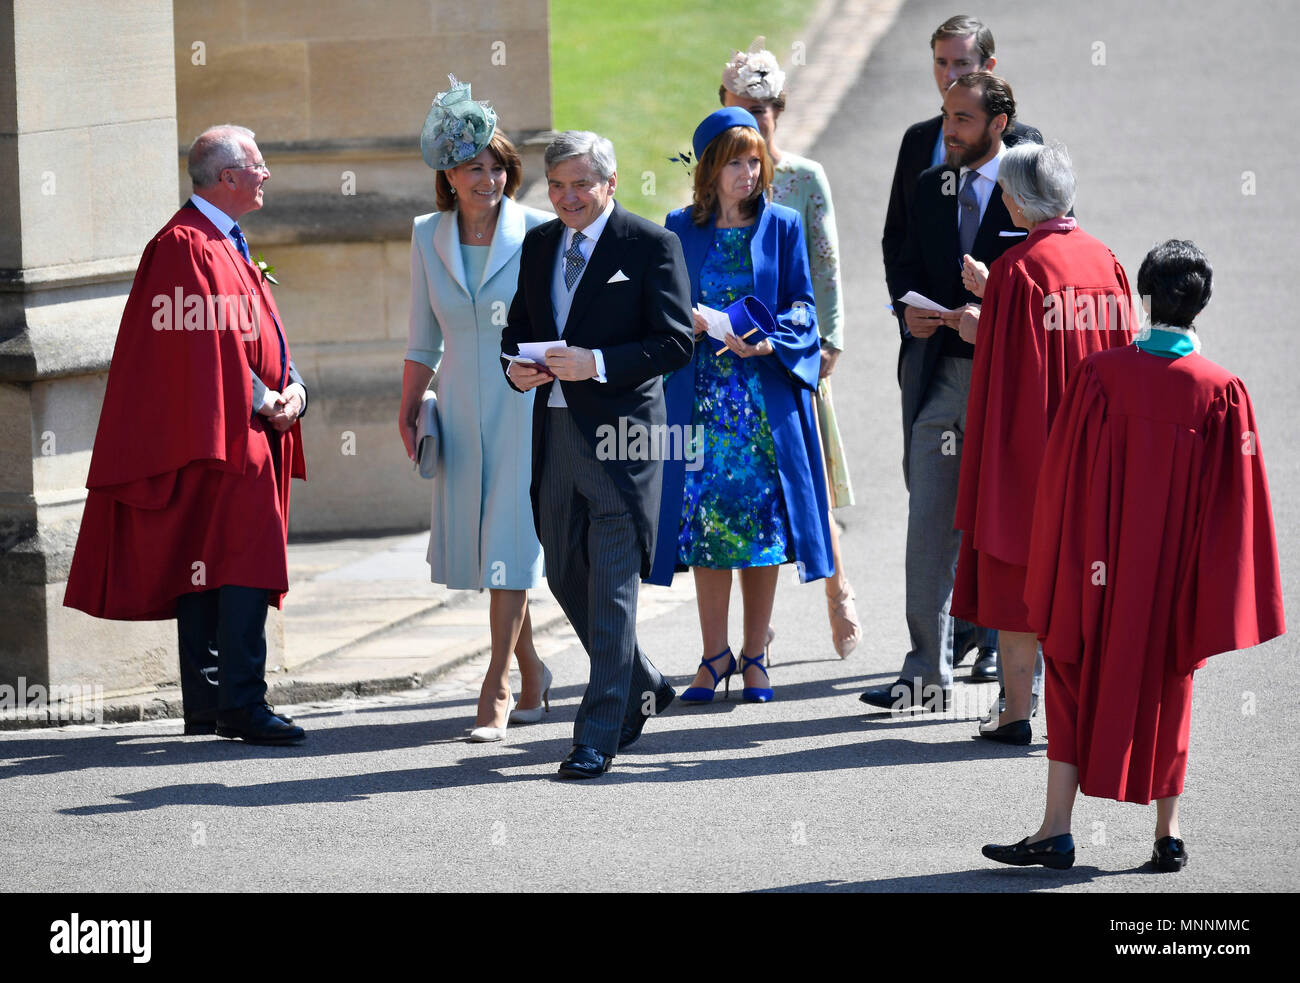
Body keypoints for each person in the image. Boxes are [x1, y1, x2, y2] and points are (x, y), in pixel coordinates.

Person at [982, 240, 1284, 871]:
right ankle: (1167, 835)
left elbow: (1062, 481)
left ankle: (1055, 830)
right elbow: (1237, 505)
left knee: (1068, 674)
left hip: (1096, 573)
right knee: (1172, 687)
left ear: (1146, 298)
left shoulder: (1101, 375)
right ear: (1202, 305)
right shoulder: (1223, 392)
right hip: (1171, 581)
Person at [63, 124, 308, 745]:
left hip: (249, 426)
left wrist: (296, 390)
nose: (266, 174)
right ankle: (239, 704)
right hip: (223, 435)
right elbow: (198, 351)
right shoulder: (183, 245)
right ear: (227, 178)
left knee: (217, 566)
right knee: (239, 564)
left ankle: (212, 705)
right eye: (258, 165)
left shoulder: (226, 239)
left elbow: (263, 335)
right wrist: (266, 398)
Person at [501, 131, 693, 779]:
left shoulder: (650, 245)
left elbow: (673, 344)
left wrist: (598, 363)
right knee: (562, 573)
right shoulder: (539, 243)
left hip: (624, 441)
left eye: (581, 184)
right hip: (553, 437)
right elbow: (519, 331)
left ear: (610, 183)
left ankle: (597, 733)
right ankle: (642, 680)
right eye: (556, 185)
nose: (567, 197)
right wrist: (516, 369)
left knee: (612, 589)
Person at [950, 141, 1134, 746]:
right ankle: (1082, 713)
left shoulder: (1019, 270)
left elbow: (1009, 373)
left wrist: (978, 314)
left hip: (1035, 453)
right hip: (1098, 452)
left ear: (1025, 202)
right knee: (1087, 577)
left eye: (1006, 190)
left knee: (1018, 578)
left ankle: (1015, 711)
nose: (1001, 198)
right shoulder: (1105, 260)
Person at [648, 108, 832, 705]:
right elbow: (659, 308)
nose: (748, 172)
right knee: (707, 534)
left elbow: (805, 307)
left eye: (755, 160)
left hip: (761, 406)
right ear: (709, 168)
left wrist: (770, 337)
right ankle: (713, 656)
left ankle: (755, 658)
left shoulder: (782, 225)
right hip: (700, 404)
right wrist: (692, 321)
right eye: (735, 161)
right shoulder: (678, 227)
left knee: (760, 535)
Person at [861, 72, 1030, 714]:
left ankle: (1020, 684)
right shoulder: (932, 185)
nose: (948, 130)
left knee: (1010, 525)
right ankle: (925, 670)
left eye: (961, 119)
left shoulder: (1030, 190)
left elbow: (1053, 275)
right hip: (938, 376)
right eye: (945, 116)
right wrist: (908, 308)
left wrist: (993, 308)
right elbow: (899, 252)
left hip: (1008, 381)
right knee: (929, 519)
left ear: (998, 125)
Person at [398, 77, 553, 742]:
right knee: (482, 544)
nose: (487, 177)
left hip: (525, 402)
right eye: (473, 167)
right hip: (459, 402)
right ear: (449, 176)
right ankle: (534, 667)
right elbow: (419, 336)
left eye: (495, 165)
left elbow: (559, 316)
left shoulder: (539, 229)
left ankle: (497, 687)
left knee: (511, 542)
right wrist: (408, 408)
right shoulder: (425, 235)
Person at [718, 38, 860, 658]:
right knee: (752, 489)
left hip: (795, 352)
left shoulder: (803, 179)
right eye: (739, 106)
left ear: (780, 109)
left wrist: (826, 340)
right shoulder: (710, 176)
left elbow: (826, 264)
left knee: (809, 479)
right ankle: (754, 634)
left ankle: (837, 587)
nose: (751, 119)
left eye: (762, 109)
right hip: (728, 362)